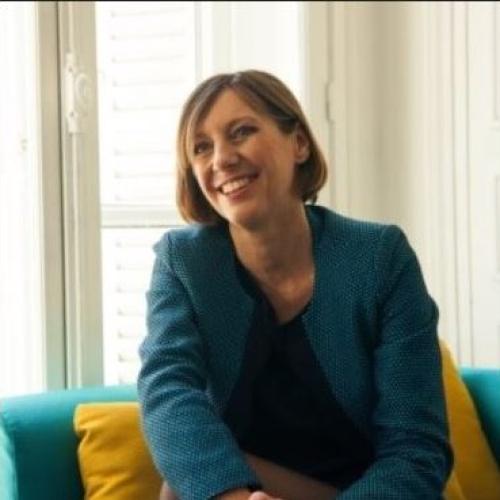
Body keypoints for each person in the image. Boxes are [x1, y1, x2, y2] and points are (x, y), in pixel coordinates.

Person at [137, 70, 453, 500]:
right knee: (180, 487)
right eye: (201, 148)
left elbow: (416, 448)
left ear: (299, 143)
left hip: (367, 490)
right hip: (249, 485)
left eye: (242, 131)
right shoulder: (183, 261)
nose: (221, 159)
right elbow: (167, 390)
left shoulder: (380, 257)